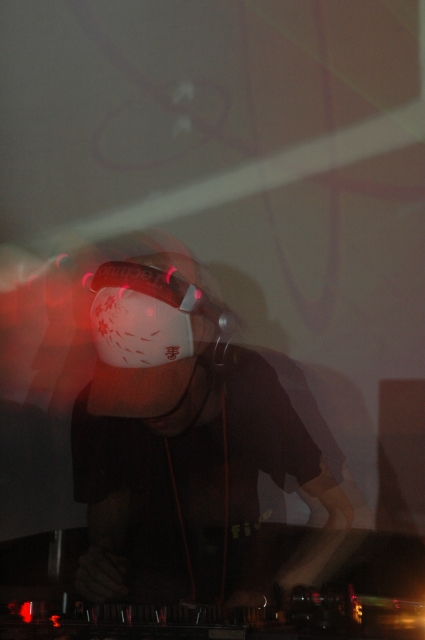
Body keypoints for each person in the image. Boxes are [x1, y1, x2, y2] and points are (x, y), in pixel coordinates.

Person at [72, 242, 354, 606]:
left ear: (215, 349)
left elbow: (343, 512)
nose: (146, 410)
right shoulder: (97, 406)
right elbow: (106, 529)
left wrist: (276, 596)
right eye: (127, 390)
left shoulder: (254, 388)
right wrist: (98, 571)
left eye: (159, 382)